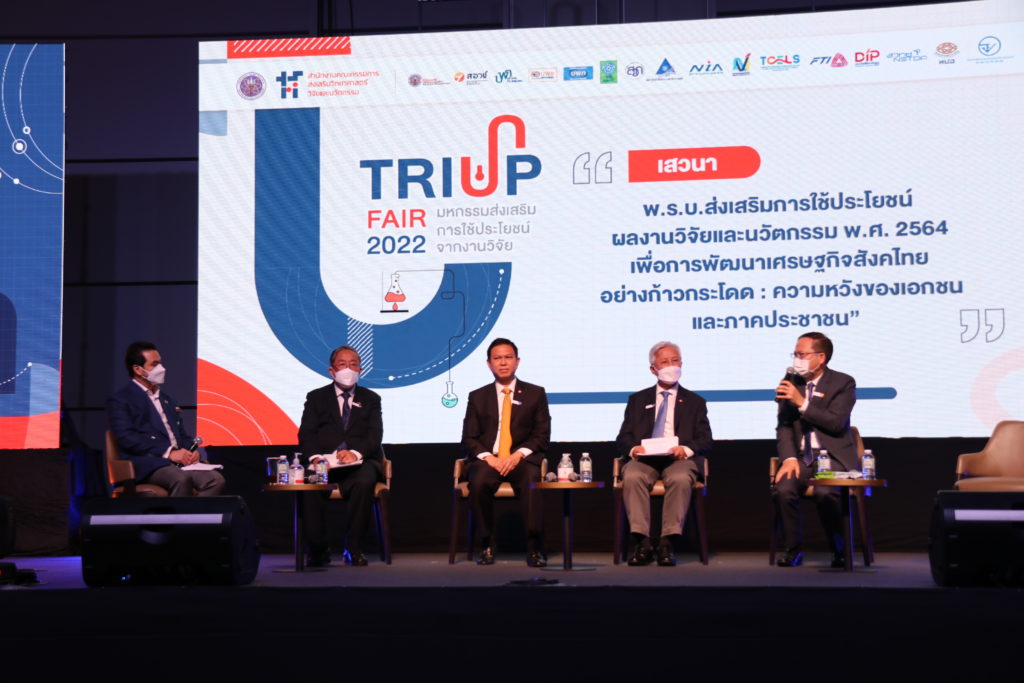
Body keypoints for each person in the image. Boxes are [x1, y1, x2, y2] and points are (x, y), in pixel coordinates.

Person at [616, 341, 712, 566]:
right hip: (645, 460)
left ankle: (667, 544)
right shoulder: (637, 400)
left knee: (680, 478)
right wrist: (634, 449)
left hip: (678, 459)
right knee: (632, 476)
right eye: (665, 362)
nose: (671, 366)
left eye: (675, 360)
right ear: (653, 369)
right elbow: (623, 438)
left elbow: (705, 439)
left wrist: (685, 449)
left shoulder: (695, 402)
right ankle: (643, 543)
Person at [461, 338, 551, 567]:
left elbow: (541, 435)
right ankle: (487, 544)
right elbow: (469, 438)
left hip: (521, 459)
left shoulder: (535, 393)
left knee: (531, 481)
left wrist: (516, 455)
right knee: (478, 483)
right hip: (489, 460)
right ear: (489, 364)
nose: (503, 363)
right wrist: (490, 459)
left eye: (508, 357)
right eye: (497, 358)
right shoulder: (477, 396)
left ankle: (533, 548)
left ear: (517, 361)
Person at [773, 331, 858, 568]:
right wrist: (789, 458)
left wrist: (802, 403)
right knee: (784, 489)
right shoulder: (792, 382)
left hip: (833, 457)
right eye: (795, 354)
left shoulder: (843, 383)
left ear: (821, 358)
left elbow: (835, 423)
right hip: (802, 458)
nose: (796, 360)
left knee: (825, 492)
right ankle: (793, 550)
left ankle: (840, 550)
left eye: (802, 355)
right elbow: (784, 426)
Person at [298, 345, 383, 567]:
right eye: (342, 364)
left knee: (365, 481)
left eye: (353, 364)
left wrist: (354, 453)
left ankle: (353, 548)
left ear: (360, 370)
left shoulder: (371, 399)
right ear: (332, 371)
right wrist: (316, 457)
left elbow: (375, 435)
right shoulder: (316, 398)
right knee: (309, 484)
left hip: (359, 464)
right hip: (323, 463)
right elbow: (307, 432)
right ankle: (318, 549)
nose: (348, 369)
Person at [107, 341, 225, 496]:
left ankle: (193, 512)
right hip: (148, 463)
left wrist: (191, 451)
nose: (161, 369)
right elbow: (127, 438)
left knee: (215, 480)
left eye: (160, 363)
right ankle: (176, 513)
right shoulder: (122, 399)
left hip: (177, 462)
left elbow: (181, 434)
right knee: (180, 479)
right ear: (137, 369)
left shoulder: (167, 399)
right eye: (154, 364)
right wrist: (168, 452)